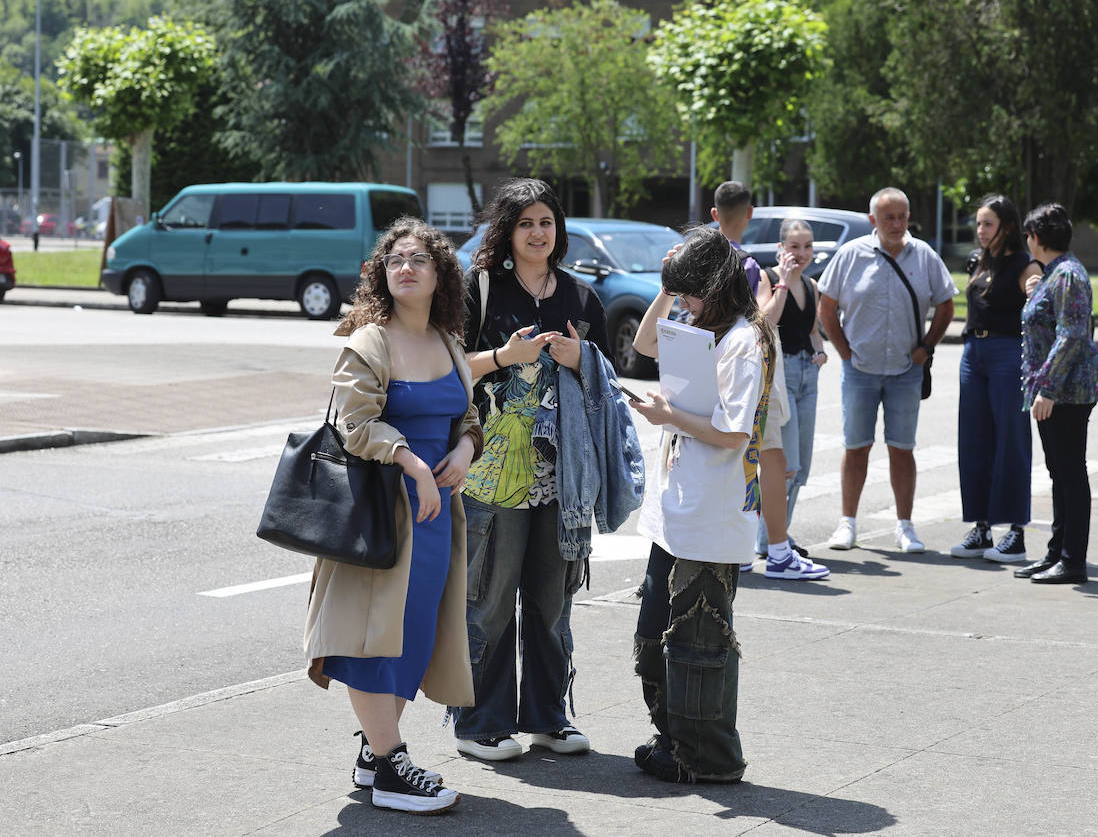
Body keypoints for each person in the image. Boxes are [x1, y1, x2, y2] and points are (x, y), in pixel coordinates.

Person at [302, 217, 484, 815]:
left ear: (440, 276)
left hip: (436, 517)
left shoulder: (449, 340)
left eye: (419, 260)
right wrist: (414, 465)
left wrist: (461, 451)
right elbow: (355, 424)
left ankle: (374, 753)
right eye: (395, 260)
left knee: (412, 637)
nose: (405, 267)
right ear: (383, 273)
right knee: (372, 637)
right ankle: (388, 764)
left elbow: (468, 418)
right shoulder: (369, 341)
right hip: (383, 513)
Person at [454, 178, 612, 762]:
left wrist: (582, 360)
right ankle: (481, 723)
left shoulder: (580, 297)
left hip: (563, 479)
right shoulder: (479, 290)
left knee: (552, 602)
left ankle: (549, 717)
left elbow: (609, 388)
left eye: (546, 222)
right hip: (489, 472)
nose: (538, 233)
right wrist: (505, 357)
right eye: (525, 223)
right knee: (489, 602)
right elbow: (446, 371)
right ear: (507, 231)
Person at [627, 227, 773, 784]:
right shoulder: (699, 324)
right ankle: (674, 740)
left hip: (712, 512)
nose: (682, 304)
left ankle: (710, 758)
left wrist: (668, 418)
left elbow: (735, 433)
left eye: (689, 292)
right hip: (678, 508)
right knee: (655, 632)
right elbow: (644, 345)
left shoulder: (743, 341)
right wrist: (669, 285)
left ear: (716, 286)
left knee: (700, 641)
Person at [819, 187, 957, 554]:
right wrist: (845, 352)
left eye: (902, 216)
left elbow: (946, 305)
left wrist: (927, 347)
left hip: (905, 371)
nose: (896, 224)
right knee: (856, 447)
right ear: (872, 221)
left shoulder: (924, 255)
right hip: (860, 370)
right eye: (888, 218)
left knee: (902, 448)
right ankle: (847, 523)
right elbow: (827, 307)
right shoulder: (851, 255)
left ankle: (905, 526)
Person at [710, 181, 826, 581]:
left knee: (729, 457)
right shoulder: (749, 266)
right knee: (772, 457)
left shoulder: (697, 258)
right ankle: (777, 551)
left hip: (711, 368)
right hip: (753, 369)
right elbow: (764, 320)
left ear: (713, 215)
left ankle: (741, 548)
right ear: (751, 213)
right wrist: (778, 284)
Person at [1014, 203, 1098, 584]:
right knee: (1059, 472)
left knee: (1070, 473)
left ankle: (1073, 561)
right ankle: (1056, 553)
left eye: (1028, 236)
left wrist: (1047, 387)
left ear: (1036, 238)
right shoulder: (1055, 274)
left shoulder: (1067, 274)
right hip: (1054, 389)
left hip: (1066, 391)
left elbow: (1071, 335)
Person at [951, 196, 1042, 563]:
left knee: (1011, 439)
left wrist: (1037, 290)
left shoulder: (1024, 263)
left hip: (1008, 353)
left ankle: (1016, 532)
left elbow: (1038, 304)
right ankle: (982, 527)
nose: (980, 231)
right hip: (973, 352)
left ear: (1006, 226)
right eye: (978, 224)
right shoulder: (978, 260)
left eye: (988, 224)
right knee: (973, 440)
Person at [758, 219, 830, 541]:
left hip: (807, 377)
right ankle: (769, 541)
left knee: (801, 468)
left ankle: (779, 536)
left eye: (808, 246)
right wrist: (783, 282)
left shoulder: (813, 286)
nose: (802, 253)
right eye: (794, 246)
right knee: (783, 465)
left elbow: (813, 332)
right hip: (780, 377)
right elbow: (766, 322)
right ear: (780, 248)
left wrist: (821, 353)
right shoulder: (768, 277)